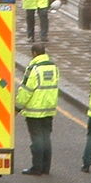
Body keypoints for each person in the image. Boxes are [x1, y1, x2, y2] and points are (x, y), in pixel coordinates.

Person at [15, 43, 60, 175]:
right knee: (46, 137)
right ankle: (46, 167)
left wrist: (17, 107)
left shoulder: (33, 68)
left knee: (37, 139)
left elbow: (26, 90)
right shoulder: (54, 67)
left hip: (35, 110)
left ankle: (36, 168)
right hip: (49, 108)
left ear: (34, 53)